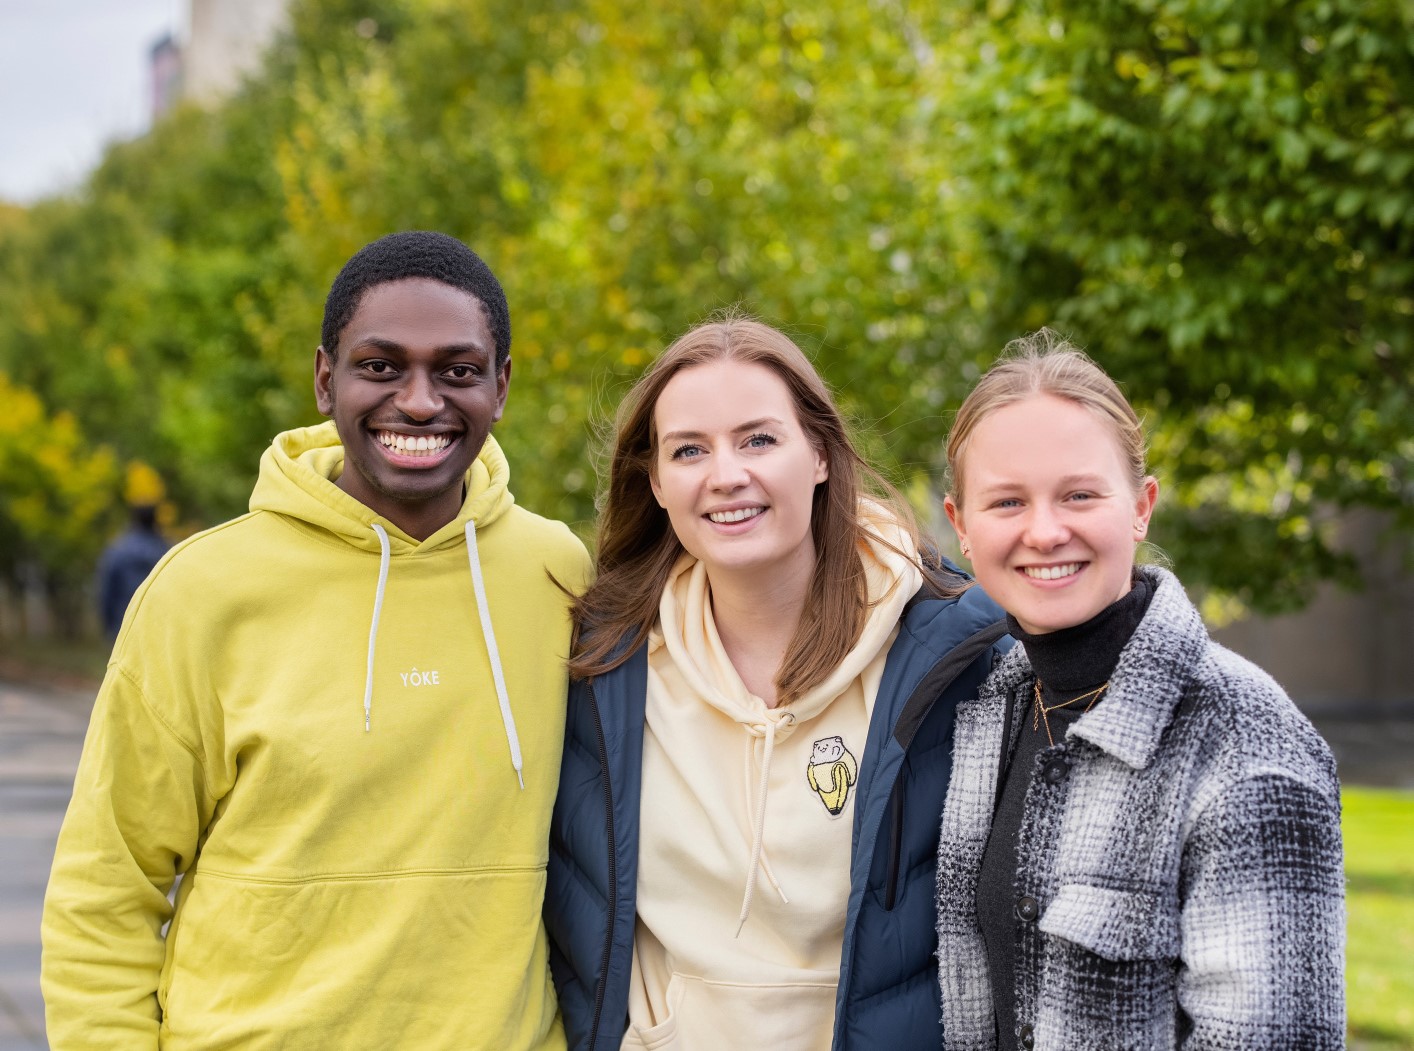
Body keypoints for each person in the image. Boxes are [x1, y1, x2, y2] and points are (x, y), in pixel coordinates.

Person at [42, 231, 591, 1049]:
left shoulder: (558, 574)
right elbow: (105, 893)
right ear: (326, 378)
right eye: (381, 366)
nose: (418, 400)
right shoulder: (203, 590)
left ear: (501, 387)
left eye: (457, 370)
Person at [543, 317, 1011, 1051]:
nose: (726, 473)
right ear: (657, 482)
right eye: (689, 449)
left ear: (819, 453)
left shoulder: (952, 654)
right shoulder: (604, 664)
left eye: (758, 439)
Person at [935, 330, 1345, 1049]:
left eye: (1079, 494)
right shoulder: (990, 709)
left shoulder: (1243, 738)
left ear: (1141, 506)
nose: (1044, 530)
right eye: (1006, 502)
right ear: (961, 526)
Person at [96, 503, 169, 639]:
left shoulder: (118, 549)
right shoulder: (166, 550)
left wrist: (108, 623)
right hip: (159, 625)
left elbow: (107, 590)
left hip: (124, 622)